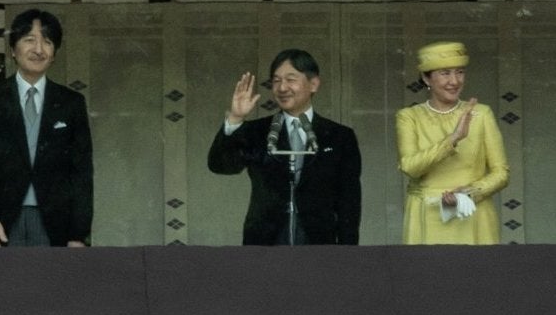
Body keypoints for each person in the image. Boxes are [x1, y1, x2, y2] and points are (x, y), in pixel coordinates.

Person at [0, 8, 93, 248]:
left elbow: (82, 173)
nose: (38, 49)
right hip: (3, 221)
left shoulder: (70, 103)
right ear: (13, 50)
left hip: (55, 224)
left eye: (47, 41)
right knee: (6, 285)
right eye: (29, 40)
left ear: (54, 54)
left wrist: (78, 234)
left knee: (51, 285)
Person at [208, 49, 362, 247]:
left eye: (291, 79)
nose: (282, 87)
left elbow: (349, 200)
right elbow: (221, 166)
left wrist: (348, 252)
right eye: (276, 80)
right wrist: (236, 119)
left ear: (313, 84)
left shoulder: (339, 136)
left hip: (320, 241)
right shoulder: (257, 131)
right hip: (265, 242)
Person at [396, 42, 508, 247]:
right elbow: (411, 168)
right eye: (445, 73)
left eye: (460, 72)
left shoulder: (481, 114)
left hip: (473, 214)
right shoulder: (409, 117)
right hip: (427, 216)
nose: (454, 81)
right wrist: (453, 139)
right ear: (426, 78)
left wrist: (467, 194)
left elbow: (501, 173)